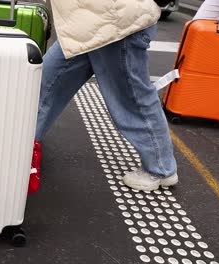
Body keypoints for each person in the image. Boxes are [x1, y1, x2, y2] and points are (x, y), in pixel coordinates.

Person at [34, 0, 178, 191]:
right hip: (90, 20)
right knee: (46, 81)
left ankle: (161, 168)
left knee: (132, 98)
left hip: (113, 21)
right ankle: (24, 140)